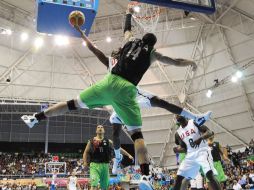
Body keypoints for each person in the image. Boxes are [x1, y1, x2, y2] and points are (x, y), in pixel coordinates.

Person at [21, 6, 210, 189]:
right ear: (152, 44)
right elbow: (176, 62)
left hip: (109, 83)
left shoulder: (126, 45)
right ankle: (144, 173)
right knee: (138, 133)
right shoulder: (152, 53)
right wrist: (191, 62)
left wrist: (124, 14)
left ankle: (36, 118)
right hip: (127, 90)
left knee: (72, 104)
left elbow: (118, 35)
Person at [173, 115, 221, 190]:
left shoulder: (194, 122)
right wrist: (177, 150)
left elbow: (210, 132)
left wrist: (200, 138)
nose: (177, 115)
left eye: (178, 113)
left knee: (209, 175)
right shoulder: (178, 133)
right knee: (179, 178)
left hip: (202, 151)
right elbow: (185, 149)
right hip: (190, 155)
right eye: (175, 114)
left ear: (184, 114)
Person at [82, 125, 133, 190]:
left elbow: (118, 148)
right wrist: (85, 163)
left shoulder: (108, 141)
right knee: (94, 185)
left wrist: (128, 155)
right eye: (98, 127)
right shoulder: (91, 141)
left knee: (104, 187)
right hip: (94, 165)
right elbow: (85, 152)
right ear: (96, 131)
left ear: (104, 131)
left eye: (101, 127)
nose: (100, 128)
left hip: (105, 166)